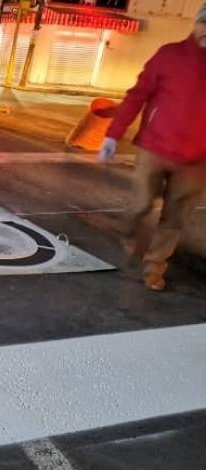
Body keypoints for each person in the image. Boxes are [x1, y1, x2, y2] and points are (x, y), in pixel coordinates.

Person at [99, 5, 206, 291]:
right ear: (195, 24)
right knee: (142, 203)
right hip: (155, 148)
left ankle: (154, 268)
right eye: (204, 24)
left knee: (175, 218)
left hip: (197, 160)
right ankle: (129, 231)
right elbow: (137, 96)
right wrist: (113, 135)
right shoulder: (169, 55)